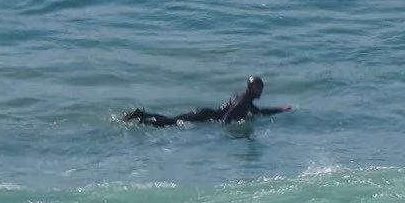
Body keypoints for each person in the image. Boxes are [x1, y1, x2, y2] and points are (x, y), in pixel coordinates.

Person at [122, 76, 290, 128]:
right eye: (256, 88)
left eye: (260, 88)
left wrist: (280, 110)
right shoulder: (244, 101)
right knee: (172, 122)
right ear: (250, 88)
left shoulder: (244, 96)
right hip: (206, 116)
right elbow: (229, 116)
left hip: (205, 112)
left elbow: (257, 111)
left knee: (173, 120)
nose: (259, 91)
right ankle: (143, 120)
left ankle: (142, 115)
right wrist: (223, 128)